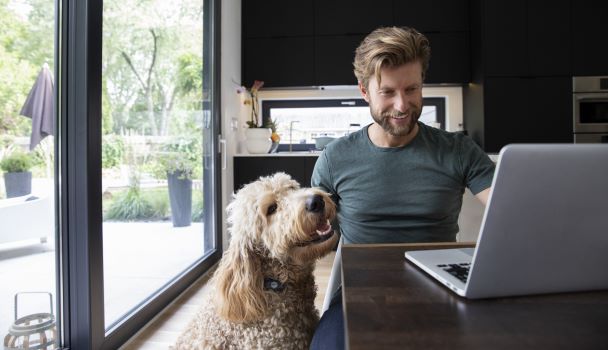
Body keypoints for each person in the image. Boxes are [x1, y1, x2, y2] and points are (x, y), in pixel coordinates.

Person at [309, 26, 495, 350]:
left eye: (412, 89)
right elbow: (306, 231)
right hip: (358, 295)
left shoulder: (458, 150)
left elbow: (509, 210)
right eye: (388, 92)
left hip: (442, 291)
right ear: (364, 91)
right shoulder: (335, 157)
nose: (402, 104)